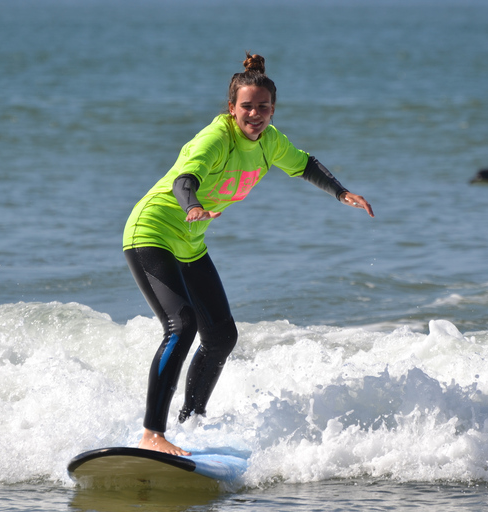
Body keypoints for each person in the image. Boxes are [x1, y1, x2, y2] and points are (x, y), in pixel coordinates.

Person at [122, 52, 374, 456]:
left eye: (263, 108)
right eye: (247, 107)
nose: (255, 114)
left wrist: (341, 192)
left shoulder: (270, 141)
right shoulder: (216, 138)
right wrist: (192, 207)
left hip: (190, 243)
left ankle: (191, 425)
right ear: (231, 108)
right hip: (151, 231)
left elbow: (305, 164)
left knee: (221, 337)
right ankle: (152, 433)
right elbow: (185, 179)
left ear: (273, 110)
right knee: (181, 325)